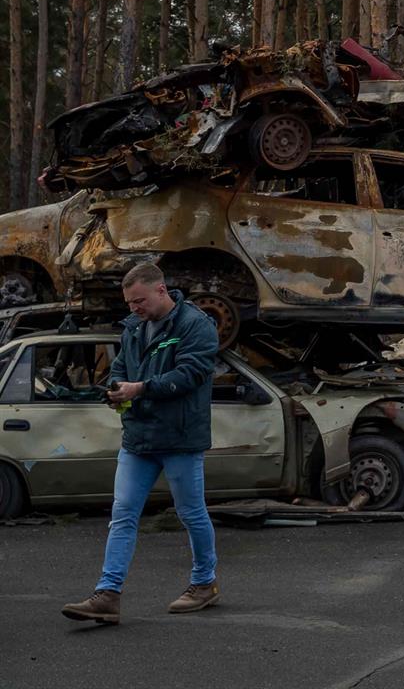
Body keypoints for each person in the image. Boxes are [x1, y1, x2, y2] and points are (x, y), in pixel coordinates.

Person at [61, 262, 222, 625]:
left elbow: (191, 374)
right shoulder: (133, 326)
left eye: (139, 301)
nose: (134, 308)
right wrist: (116, 388)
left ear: (161, 291)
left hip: (180, 439)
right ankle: (108, 595)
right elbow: (121, 368)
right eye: (130, 302)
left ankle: (204, 583)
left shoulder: (196, 325)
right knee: (123, 513)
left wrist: (142, 388)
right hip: (138, 438)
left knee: (191, 513)